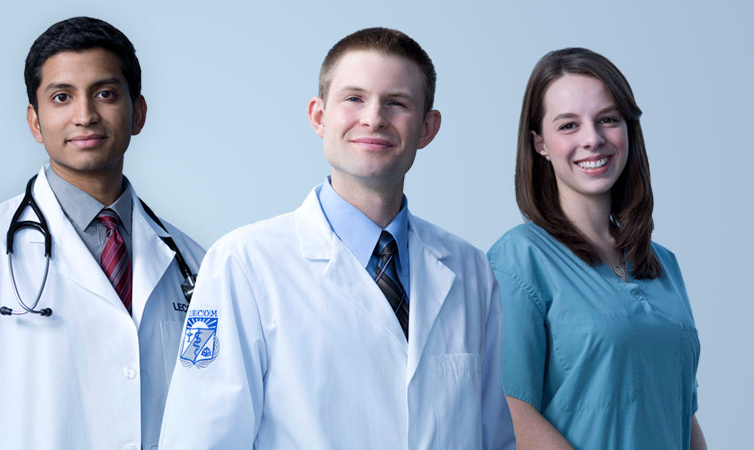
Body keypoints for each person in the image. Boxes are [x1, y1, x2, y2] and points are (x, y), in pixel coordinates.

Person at [158, 27, 515, 449]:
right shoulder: (244, 263)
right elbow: (202, 439)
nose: (374, 118)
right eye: (354, 99)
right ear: (319, 116)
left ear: (427, 128)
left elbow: (494, 439)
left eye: (397, 103)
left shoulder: (469, 269)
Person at [0, 17, 205, 450]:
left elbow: (214, 419)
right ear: (35, 121)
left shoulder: (193, 264)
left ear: (137, 113)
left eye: (105, 93)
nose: (85, 115)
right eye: (62, 97)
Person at [488, 47, 706, 450]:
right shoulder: (519, 260)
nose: (593, 139)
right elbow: (510, 411)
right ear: (540, 144)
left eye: (608, 119)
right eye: (568, 125)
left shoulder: (663, 266)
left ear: (628, 129)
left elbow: (682, 412)